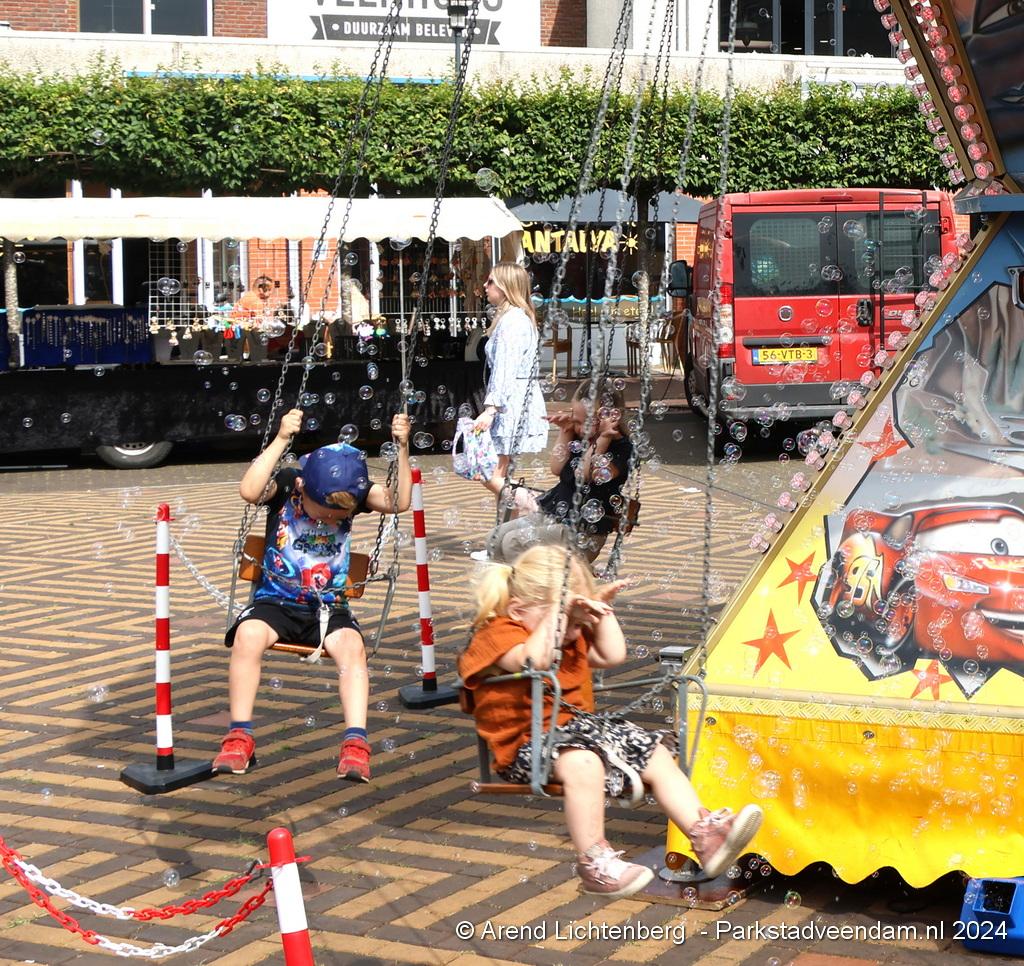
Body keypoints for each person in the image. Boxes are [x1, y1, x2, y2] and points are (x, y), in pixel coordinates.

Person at [458, 544, 764, 898]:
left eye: (578, 621)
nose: (575, 630)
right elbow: (534, 660)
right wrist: (561, 611)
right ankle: (596, 863)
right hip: (527, 747)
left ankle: (705, 835)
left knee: (655, 753)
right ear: (517, 610)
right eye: (568, 619)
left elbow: (613, 654)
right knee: (585, 764)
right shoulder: (499, 634)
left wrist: (601, 614)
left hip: (582, 734)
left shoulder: (568, 635)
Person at [214, 407, 412, 782]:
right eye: (322, 512)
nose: (329, 519)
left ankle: (355, 743)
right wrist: (281, 439)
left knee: (352, 648)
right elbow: (249, 491)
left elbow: (398, 501)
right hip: (275, 602)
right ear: (303, 487)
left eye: (338, 517)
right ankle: (239, 736)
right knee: (247, 636)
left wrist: (402, 448)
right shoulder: (288, 484)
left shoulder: (352, 493)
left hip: (329, 607)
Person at [485, 379, 632, 563]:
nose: (580, 428)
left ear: (609, 418)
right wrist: (565, 431)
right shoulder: (579, 438)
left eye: (585, 422)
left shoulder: (623, 448)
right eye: (576, 420)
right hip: (555, 517)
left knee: (513, 543)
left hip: (582, 533)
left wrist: (603, 437)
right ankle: (509, 579)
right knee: (495, 538)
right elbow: (556, 468)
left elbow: (583, 475)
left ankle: (532, 580)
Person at [472, 262, 549, 502]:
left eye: (491, 281)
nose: (485, 285)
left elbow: (505, 368)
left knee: (489, 473)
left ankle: (534, 507)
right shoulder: (514, 317)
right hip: (513, 401)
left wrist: (491, 410)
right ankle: (515, 517)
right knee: (501, 473)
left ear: (506, 287)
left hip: (509, 404)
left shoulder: (513, 321)